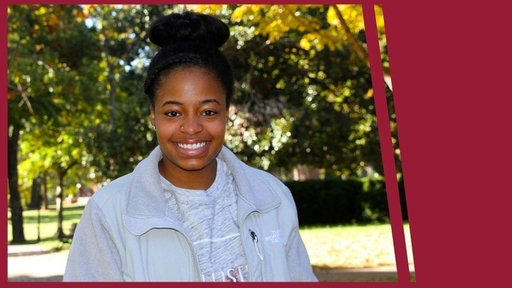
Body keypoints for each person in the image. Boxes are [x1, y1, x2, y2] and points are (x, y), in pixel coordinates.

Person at [63, 10, 318, 282]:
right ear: (153, 115)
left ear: (227, 112)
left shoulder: (272, 198)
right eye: (173, 113)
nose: (192, 127)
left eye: (208, 112)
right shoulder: (110, 211)